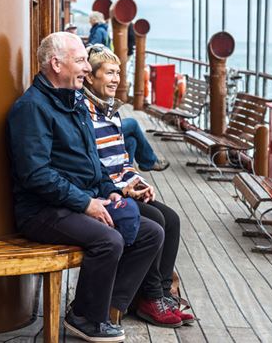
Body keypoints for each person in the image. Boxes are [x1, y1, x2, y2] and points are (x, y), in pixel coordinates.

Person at [6, 32, 164, 342]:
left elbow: (93, 162)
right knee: (109, 241)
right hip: (41, 210)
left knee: (151, 232)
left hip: (75, 200)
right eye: (80, 61)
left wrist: (110, 191)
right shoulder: (32, 108)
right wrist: (85, 203)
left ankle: (99, 308)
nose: (86, 69)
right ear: (56, 64)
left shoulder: (74, 101)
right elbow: (35, 175)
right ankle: (86, 318)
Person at [83, 44, 194, 327]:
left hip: (123, 187)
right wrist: (123, 190)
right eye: (108, 73)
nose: (116, 79)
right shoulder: (84, 115)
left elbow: (122, 162)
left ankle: (159, 293)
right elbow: (97, 168)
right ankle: (150, 296)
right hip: (103, 192)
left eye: (118, 73)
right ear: (89, 77)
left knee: (173, 218)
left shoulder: (112, 114)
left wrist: (140, 183)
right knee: (155, 220)